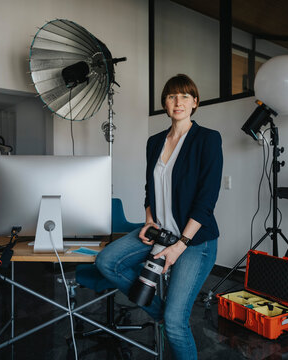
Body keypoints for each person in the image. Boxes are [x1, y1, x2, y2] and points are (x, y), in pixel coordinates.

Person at [95, 74, 223, 360]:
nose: (178, 102)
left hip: (194, 241)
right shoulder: (155, 142)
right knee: (107, 261)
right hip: (159, 231)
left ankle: (170, 316)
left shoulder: (208, 139)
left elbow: (206, 200)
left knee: (177, 326)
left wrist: (179, 247)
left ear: (195, 102)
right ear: (164, 103)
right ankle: (162, 310)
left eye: (185, 96)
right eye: (171, 96)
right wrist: (149, 220)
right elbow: (149, 189)